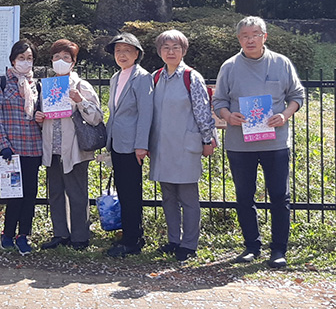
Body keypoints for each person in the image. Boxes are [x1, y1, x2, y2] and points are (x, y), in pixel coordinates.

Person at [212, 16, 305, 269]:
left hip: (275, 143)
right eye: (244, 35)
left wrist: (285, 115)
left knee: (279, 196)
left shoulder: (281, 63)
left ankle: (279, 249)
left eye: (255, 34)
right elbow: (218, 101)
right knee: (244, 196)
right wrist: (228, 116)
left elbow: (297, 96)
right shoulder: (229, 67)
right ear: (239, 39)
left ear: (265, 36)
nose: (250, 39)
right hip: (239, 144)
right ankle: (251, 246)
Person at [147, 29, 217, 262]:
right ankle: (173, 240)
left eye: (175, 47)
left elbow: (202, 110)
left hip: (186, 145)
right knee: (168, 197)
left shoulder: (191, 77)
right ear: (159, 52)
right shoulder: (156, 77)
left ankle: (189, 244)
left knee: (188, 197)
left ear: (183, 50)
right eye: (165, 47)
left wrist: (208, 139)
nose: (170, 52)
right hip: (163, 146)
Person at [36, 39, 103, 250]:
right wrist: (39, 116)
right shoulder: (47, 86)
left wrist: (80, 100)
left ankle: (80, 238)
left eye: (66, 58)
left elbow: (97, 117)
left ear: (73, 62)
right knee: (55, 192)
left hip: (74, 149)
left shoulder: (81, 85)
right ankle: (60, 234)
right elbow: (43, 115)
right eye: (57, 57)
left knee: (77, 193)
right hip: (52, 147)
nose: (61, 61)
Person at [0, 39, 43, 254]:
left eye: (29, 58)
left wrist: (41, 118)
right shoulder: (0, 82)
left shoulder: (36, 84)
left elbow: (41, 113)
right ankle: (7, 233)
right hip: (11, 148)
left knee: (30, 194)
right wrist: (3, 145)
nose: (25, 62)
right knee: (13, 194)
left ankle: (24, 235)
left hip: (33, 146)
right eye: (22, 58)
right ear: (13, 60)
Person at [102, 32, 154, 258]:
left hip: (133, 144)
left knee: (132, 192)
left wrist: (141, 145)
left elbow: (146, 113)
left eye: (127, 51)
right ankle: (130, 234)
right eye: (118, 51)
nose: (121, 55)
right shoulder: (116, 77)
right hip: (117, 142)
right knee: (124, 191)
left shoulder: (142, 77)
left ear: (137, 54)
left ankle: (133, 239)